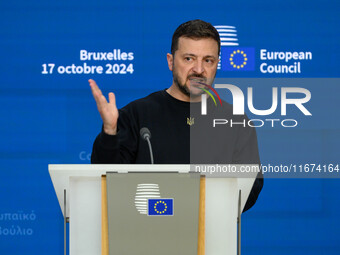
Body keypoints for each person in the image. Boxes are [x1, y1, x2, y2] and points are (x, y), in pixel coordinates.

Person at [90, 19, 263, 212]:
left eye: (208, 60)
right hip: (144, 233)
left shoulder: (236, 120)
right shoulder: (137, 114)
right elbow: (107, 178)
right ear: (171, 61)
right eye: (189, 58)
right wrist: (109, 131)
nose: (198, 69)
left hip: (212, 236)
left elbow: (251, 187)